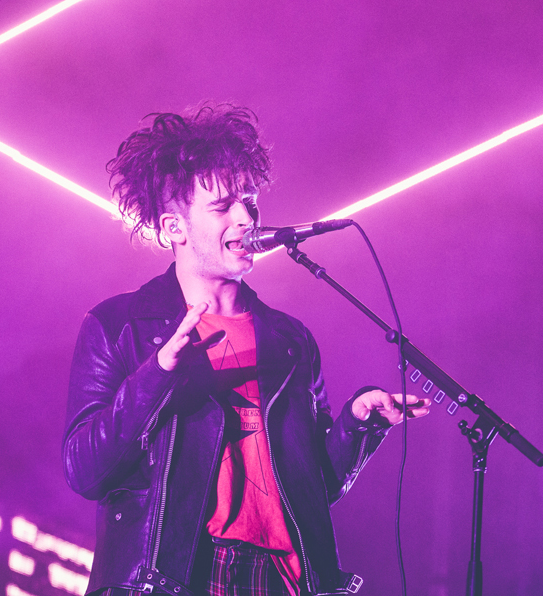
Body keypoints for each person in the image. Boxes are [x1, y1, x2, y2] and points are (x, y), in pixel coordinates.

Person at [63, 104, 430, 596]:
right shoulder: (120, 325)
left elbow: (315, 487)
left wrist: (358, 423)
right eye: (221, 207)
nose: (245, 218)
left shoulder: (290, 341)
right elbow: (85, 470)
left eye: (250, 203)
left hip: (282, 578)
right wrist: (158, 372)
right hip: (175, 578)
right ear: (174, 228)